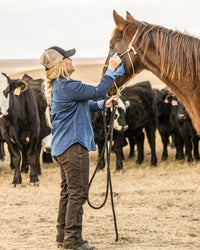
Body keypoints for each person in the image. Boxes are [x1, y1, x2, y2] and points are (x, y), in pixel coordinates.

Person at [40, 46, 123, 250]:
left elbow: (84, 104)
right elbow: (97, 91)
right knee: (77, 194)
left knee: (68, 194)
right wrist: (111, 69)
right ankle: (73, 241)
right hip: (73, 148)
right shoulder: (68, 86)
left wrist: (103, 104)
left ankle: (63, 236)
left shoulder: (62, 87)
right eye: (69, 58)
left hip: (64, 148)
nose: (72, 60)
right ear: (61, 64)